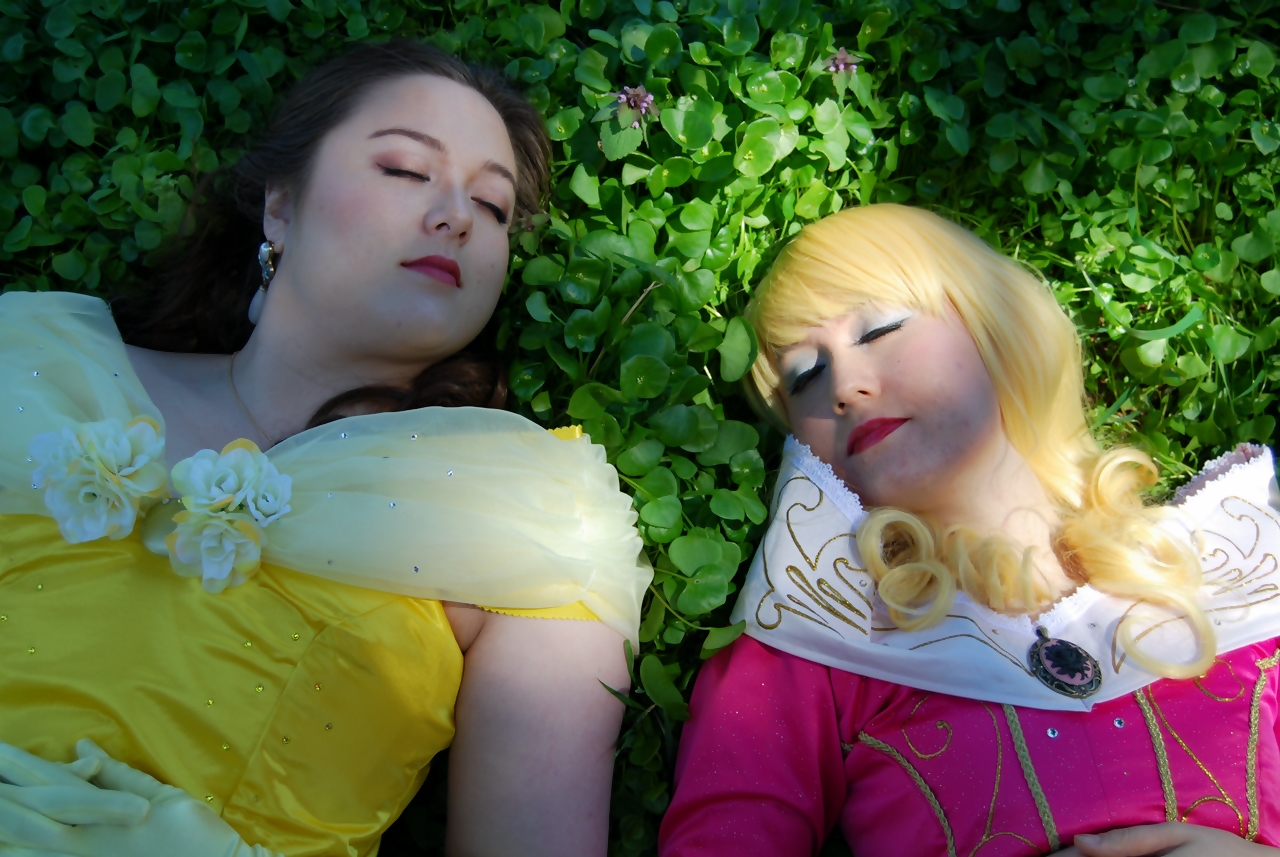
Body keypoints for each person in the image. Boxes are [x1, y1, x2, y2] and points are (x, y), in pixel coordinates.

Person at [0, 40, 649, 857]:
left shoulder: (533, 518)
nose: (456, 215)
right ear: (280, 205)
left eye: (491, 207)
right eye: (405, 169)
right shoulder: (33, 359)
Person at [658, 204, 1280, 857]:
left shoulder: (1242, 563)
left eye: (879, 328)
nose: (843, 386)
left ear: (994, 321)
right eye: (805, 376)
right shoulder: (811, 636)